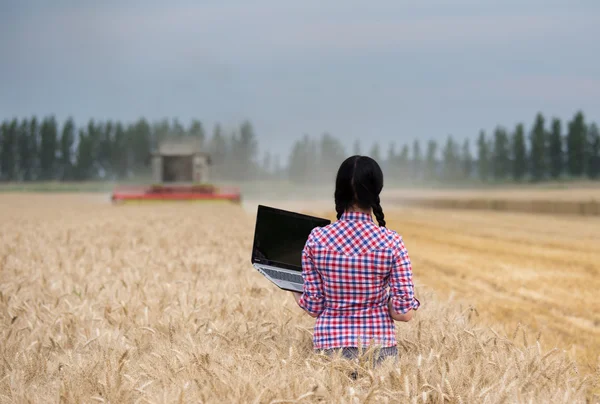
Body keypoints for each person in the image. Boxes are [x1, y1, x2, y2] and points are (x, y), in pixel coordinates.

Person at [291, 155, 420, 365]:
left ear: (339, 190)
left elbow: (314, 307)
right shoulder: (392, 242)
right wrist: (385, 301)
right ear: (377, 190)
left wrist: (290, 286)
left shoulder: (316, 239)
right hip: (379, 351)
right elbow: (403, 313)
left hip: (330, 351)